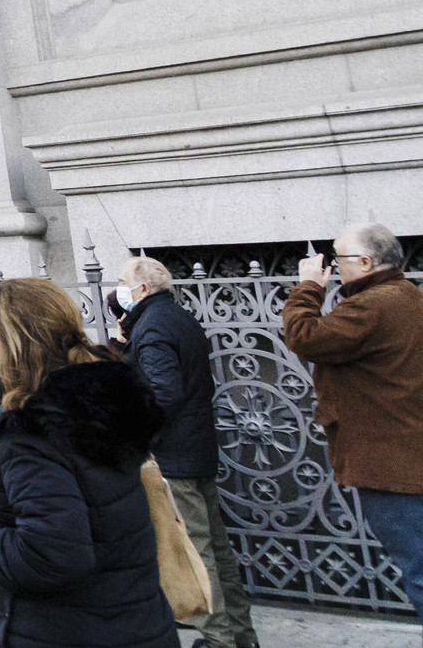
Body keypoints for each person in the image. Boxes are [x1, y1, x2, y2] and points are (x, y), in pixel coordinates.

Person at [0, 276, 178, 647]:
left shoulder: (33, 426)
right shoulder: (101, 402)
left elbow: (52, 553)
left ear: (14, 340)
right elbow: (90, 498)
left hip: (66, 628)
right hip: (136, 620)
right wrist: (1, 498)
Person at [284, 224, 423, 629]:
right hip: (406, 455)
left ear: (365, 263)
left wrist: (308, 287)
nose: (331, 266)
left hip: (392, 468)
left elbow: (303, 335)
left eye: (337, 258)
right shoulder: (407, 296)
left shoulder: (373, 305)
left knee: (418, 570)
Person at [120, 256, 257, 648]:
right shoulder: (176, 318)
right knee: (215, 547)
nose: (118, 289)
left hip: (173, 454)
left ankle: (219, 640)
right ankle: (241, 636)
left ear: (143, 289)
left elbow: (164, 392)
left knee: (197, 551)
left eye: (122, 281)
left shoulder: (152, 326)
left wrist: (138, 434)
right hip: (196, 447)